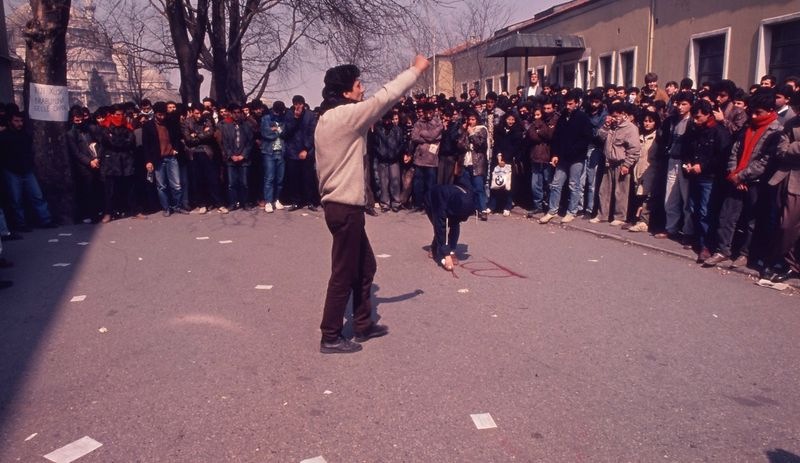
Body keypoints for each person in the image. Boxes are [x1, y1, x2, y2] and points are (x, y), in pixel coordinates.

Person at [314, 55, 429, 354]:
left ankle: (363, 324)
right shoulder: (345, 117)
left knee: (365, 266)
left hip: (340, 206)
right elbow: (386, 96)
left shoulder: (328, 118)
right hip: (344, 207)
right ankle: (330, 335)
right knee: (344, 272)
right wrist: (415, 70)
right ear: (345, 93)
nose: (363, 89)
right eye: (358, 85)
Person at [0, 111, 55, 231]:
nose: (19, 123)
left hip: (27, 170)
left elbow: (30, 151)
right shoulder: (4, 137)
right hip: (11, 171)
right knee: (16, 200)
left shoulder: (25, 135)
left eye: (21, 121)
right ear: (10, 121)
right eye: (16, 121)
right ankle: (21, 224)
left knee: (37, 196)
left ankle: (45, 220)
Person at [593, 102, 641, 225]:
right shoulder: (611, 126)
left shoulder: (631, 128)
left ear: (623, 114)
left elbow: (634, 149)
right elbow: (600, 137)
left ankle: (620, 217)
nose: (614, 118)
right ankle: (602, 214)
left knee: (620, 192)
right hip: (608, 162)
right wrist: (606, 126)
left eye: (616, 116)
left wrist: (627, 164)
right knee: (604, 190)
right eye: (612, 116)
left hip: (621, 162)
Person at [143, 102, 187, 216]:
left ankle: (177, 206)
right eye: (159, 115)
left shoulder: (170, 123)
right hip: (157, 159)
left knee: (176, 185)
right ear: (155, 113)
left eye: (163, 114)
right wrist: (148, 161)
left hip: (171, 157)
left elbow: (177, 136)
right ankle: (166, 208)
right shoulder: (148, 126)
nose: (162, 117)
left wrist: (175, 148)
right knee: (161, 186)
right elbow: (146, 145)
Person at [426, 177, 474, 271]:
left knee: (455, 224)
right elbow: (440, 227)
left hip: (455, 202)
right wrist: (446, 256)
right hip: (432, 201)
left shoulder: (469, 197)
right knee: (440, 227)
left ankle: (452, 250)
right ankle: (435, 247)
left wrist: (450, 252)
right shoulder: (441, 202)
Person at [260, 101, 288, 213]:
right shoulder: (266, 119)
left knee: (280, 179)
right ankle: (268, 201)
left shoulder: (284, 119)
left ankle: (276, 199)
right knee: (269, 178)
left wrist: (276, 130)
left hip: (281, 151)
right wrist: (278, 132)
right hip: (269, 152)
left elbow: (286, 133)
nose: (278, 113)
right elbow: (265, 133)